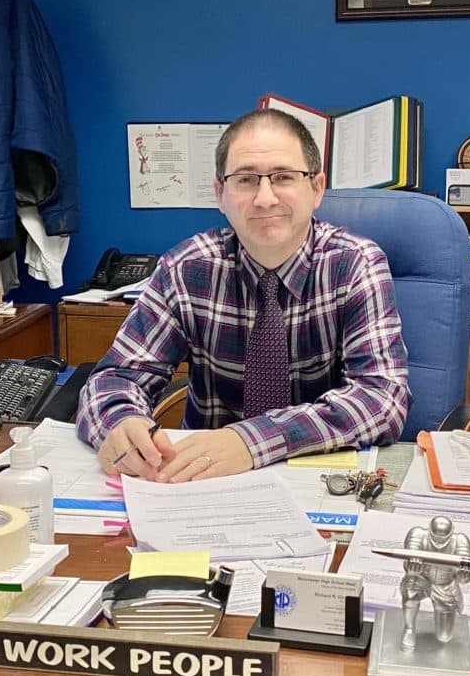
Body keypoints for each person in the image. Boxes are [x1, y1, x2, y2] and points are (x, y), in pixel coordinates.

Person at [76, 108, 410, 482]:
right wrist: (121, 423)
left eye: (283, 177)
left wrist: (251, 440)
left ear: (316, 188)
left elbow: (382, 398)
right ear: (220, 193)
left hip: (319, 479)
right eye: (246, 180)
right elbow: (114, 379)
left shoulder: (355, 264)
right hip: (201, 485)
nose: (265, 198)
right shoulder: (186, 269)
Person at [399, 516, 470, 649]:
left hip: (444, 586)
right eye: (435, 537)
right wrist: (413, 565)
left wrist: (464, 574)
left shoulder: (460, 541)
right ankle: (409, 629)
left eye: (443, 538)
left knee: (444, 637)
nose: (439, 542)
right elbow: (410, 557)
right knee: (410, 591)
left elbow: (463, 577)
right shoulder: (418, 534)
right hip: (421, 579)